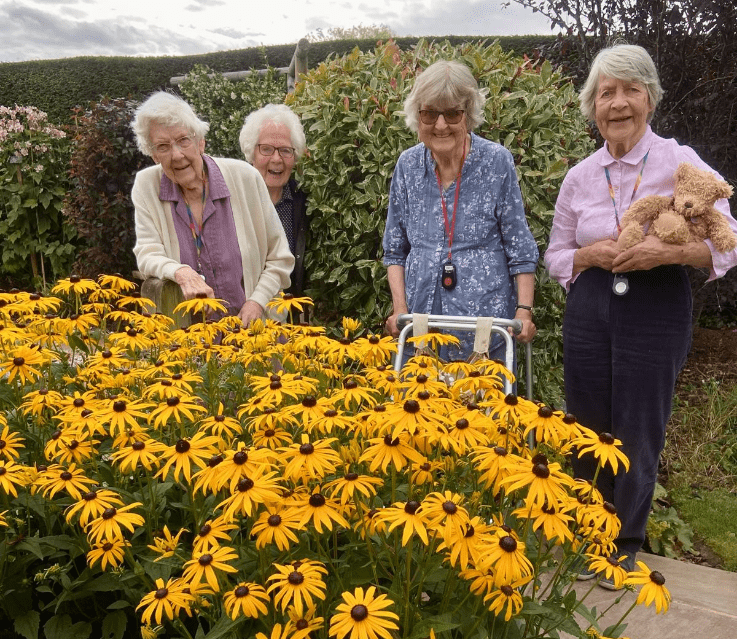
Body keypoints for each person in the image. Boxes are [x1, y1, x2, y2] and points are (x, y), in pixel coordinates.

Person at [544, 44, 737, 584]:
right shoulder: (580, 176)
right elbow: (556, 253)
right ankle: (587, 536)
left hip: (656, 305)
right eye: (607, 93)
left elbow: (730, 242)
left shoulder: (681, 161)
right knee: (586, 427)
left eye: (631, 90)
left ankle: (624, 544)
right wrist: (587, 255)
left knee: (638, 429)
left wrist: (669, 252)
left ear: (649, 98)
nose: (619, 103)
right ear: (593, 106)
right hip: (590, 308)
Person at [382, 60, 539, 361]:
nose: (440, 125)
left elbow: (520, 247)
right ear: (418, 116)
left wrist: (524, 311)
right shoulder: (408, 166)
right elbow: (394, 249)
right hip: (420, 328)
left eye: (452, 113)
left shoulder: (496, 162)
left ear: (468, 115)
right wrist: (400, 311)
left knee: (485, 406)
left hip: (485, 330)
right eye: (429, 113)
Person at [131, 92, 293, 325]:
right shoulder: (147, 186)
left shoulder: (245, 178)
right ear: (154, 155)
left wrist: (257, 301)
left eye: (183, 140)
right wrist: (181, 272)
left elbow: (280, 258)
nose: (177, 155)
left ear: (201, 143)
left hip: (256, 336)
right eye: (163, 146)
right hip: (192, 344)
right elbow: (147, 254)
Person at [240, 104, 308, 296]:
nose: (277, 159)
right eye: (266, 149)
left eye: (286, 150)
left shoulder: (305, 203)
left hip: (289, 313)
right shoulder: (234, 200)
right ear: (251, 153)